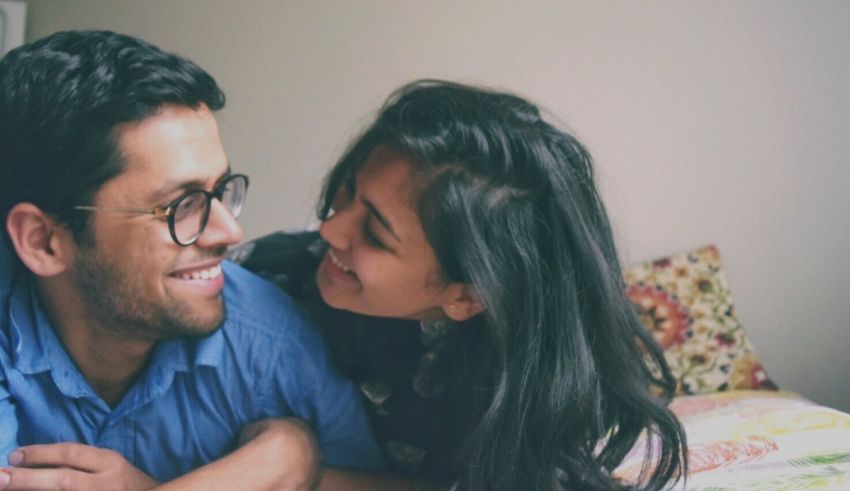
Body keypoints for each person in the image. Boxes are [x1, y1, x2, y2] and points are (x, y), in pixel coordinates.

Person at [167, 80, 690, 490]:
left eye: (373, 233)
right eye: (346, 194)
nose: (329, 229)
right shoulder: (272, 276)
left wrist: (299, 467)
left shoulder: (536, 386)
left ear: (466, 296)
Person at [0, 30, 385, 490]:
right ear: (44, 242)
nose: (230, 232)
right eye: (181, 205)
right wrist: (270, 466)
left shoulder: (272, 342)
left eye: (219, 191)